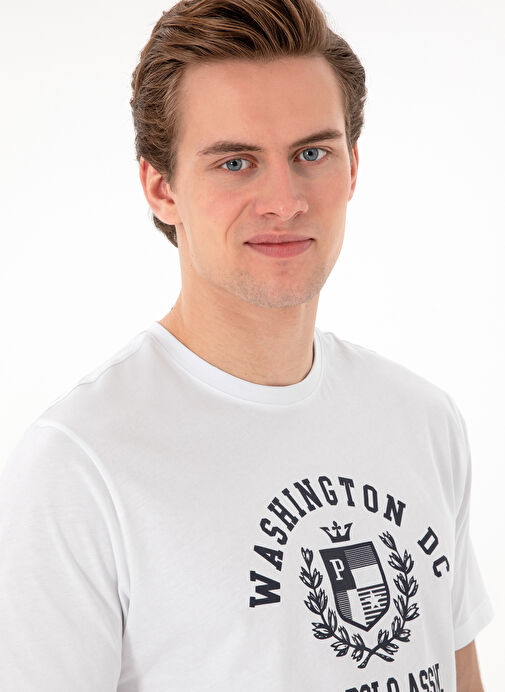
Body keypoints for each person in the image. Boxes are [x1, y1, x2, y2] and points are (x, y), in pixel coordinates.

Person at [0, 0, 494, 690]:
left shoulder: (421, 418)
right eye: (235, 162)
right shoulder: (79, 467)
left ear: (352, 167)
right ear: (161, 188)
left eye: (311, 153)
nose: (284, 200)